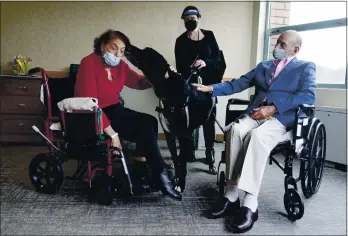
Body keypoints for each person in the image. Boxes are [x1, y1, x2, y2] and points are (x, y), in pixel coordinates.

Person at [193, 30, 316, 233]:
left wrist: (274, 108)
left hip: (281, 117)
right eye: (277, 43)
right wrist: (210, 88)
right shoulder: (264, 66)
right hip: (256, 114)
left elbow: (308, 96)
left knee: (257, 137)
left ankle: (250, 202)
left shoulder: (305, 67)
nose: (276, 47)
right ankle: (231, 194)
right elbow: (238, 83)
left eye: (282, 45)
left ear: (295, 49)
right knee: (234, 130)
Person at [74, 29, 182, 201]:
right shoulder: (89, 63)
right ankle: (160, 173)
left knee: (150, 121)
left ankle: (141, 168)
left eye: (122, 51)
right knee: (145, 125)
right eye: (113, 48)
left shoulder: (120, 66)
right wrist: (113, 135)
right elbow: (90, 103)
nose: (117, 54)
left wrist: (160, 75)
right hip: (96, 115)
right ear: (102, 46)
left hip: (115, 109)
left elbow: (139, 82)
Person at [174, 5, 222, 175]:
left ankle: (210, 154)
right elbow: (179, 65)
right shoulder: (180, 40)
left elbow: (217, 57)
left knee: (209, 118)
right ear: (183, 20)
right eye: (186, 19)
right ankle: (188, 151)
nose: (190, 21)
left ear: (198, 18)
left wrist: (205, 62)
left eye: (192, 18)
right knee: (188, 118)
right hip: (191, 85)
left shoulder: (209, 35)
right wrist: (190, 67)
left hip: (209, 84)